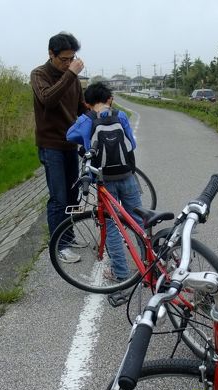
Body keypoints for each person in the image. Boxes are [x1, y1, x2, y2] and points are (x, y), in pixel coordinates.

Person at [66, 82, 142, 281]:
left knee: (112, 226)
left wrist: (85, 144)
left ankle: (121, 272)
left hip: (103, 180)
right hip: (127, 176)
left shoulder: (85, 120)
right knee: (138, 221)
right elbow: (131, 144)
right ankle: (150, 265)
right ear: (109, 99)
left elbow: (69, 136)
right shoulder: (120, 116)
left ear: (86, 103)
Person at [31, 31, 87, 264]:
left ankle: (69, 235)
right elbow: (48, 99)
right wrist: (71, 73)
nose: (68, 63)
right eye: (64, 59)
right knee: (59, 197)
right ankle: (59, 245)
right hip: (50, 144)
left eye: (71, 58)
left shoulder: (71, 78)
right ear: (51, 54)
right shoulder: (39, 74)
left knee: (73, 194)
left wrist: (100, 114)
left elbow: (80, 108)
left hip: (69, 143)